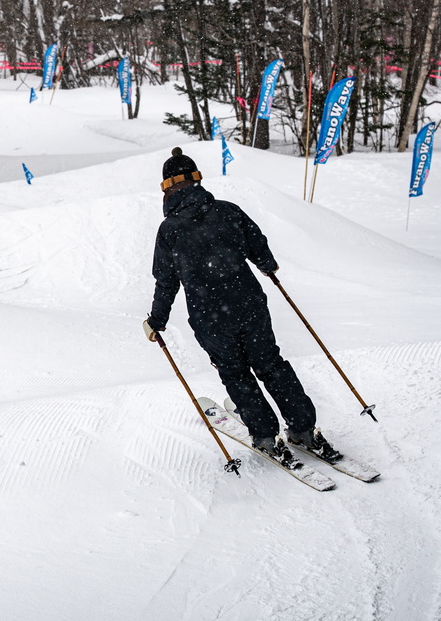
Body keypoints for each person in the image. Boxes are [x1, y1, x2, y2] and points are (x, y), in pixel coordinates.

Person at [143, 147, 339, 466]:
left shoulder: (170, 230)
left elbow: (165, 282)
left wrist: (157, 320)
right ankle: (303, 429)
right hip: (249, 303)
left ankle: (265, 436)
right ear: (197, 181)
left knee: (235, 372)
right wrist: (267, 264)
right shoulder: (228, 212)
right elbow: (257, 243)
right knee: (270, 364)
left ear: (167, 189)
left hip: (210, 318)